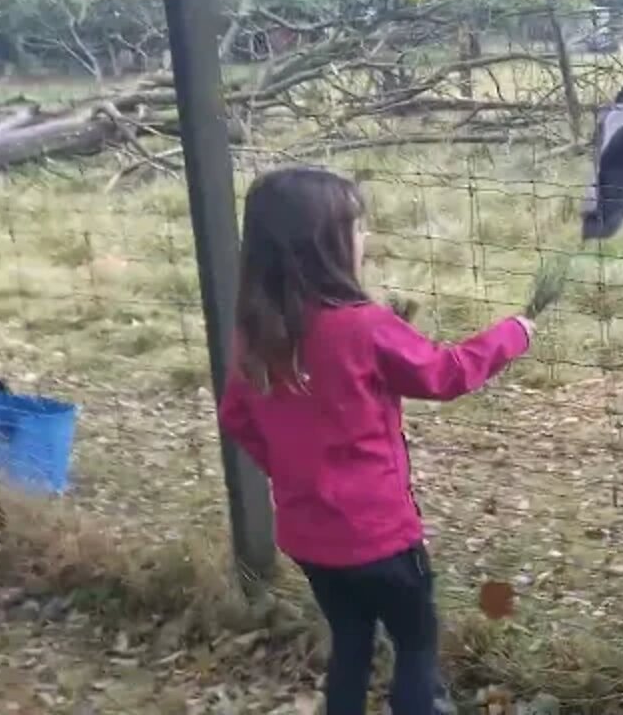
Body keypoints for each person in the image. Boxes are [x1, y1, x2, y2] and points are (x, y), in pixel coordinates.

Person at [218, 166, 534, 715]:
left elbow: (236, 416)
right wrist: (514, 333)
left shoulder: (254, 332)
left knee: (351, 645)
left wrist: (290, 470)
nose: (367, 240)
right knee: (415, 645)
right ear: (326, 246)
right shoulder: (362, 327)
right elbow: (444, 373)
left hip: (310, 540)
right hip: (382, 539)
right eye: (357, 228)